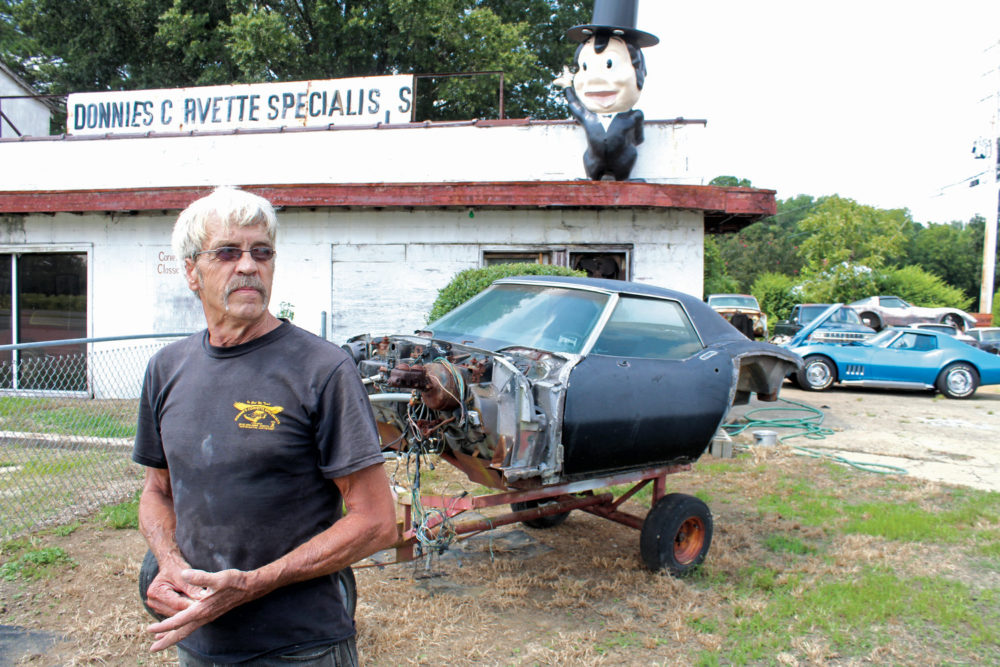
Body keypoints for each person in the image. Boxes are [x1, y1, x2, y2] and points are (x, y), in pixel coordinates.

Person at [132, 186, 397, 665]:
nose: (249, 266)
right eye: (228, 252)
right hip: (198, 638)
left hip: (300, 645)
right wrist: (168, 562)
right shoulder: (166, 369)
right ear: (191, 271)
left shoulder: (322, 369)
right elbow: (157, 491)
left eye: (262, 252)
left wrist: (254, 584)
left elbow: (377, 523)